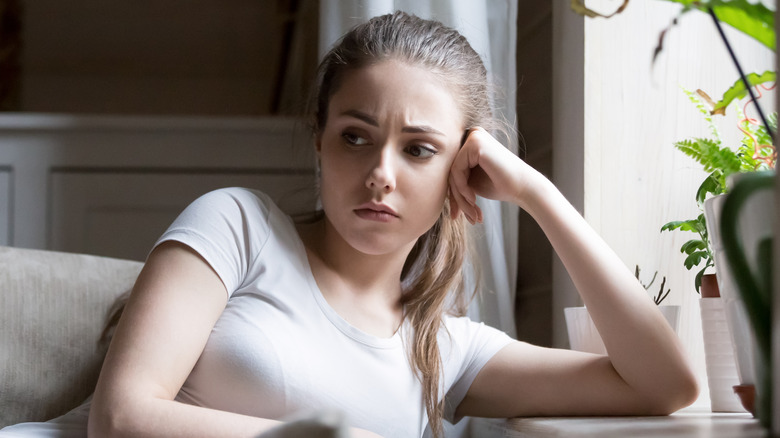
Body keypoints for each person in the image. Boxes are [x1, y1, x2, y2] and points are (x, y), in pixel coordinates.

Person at [2, 10, 698, 438]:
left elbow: (663, 386)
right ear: (319, 140)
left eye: (419, 149)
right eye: (355, 137)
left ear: (464, 165)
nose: (380, 174)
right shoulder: (238, 225)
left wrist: (540, 195)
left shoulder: (443, 350)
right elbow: (121, 419)